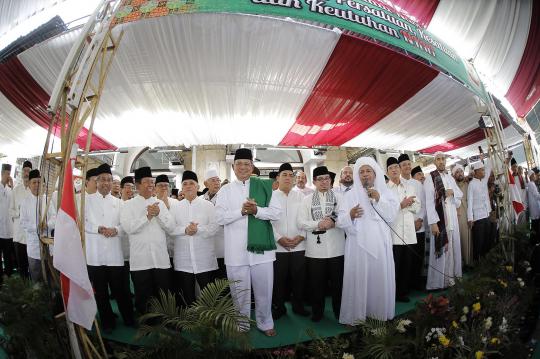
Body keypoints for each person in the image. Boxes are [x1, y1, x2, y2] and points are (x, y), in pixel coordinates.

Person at [215, 148, 281, 336]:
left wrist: (257, 211)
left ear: (252, 166)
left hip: (263, 252)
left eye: (247, 163)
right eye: (239, 164)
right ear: (233, 167)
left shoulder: (266, 186)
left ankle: (265, 322)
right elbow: (219, 218)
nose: (243, 167)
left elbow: (276, 213)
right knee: (239, 292)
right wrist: (241, 211)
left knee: (264, 290)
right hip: (236, 251)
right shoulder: (225, 190)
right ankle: (242, 324)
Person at [337, 157, 399, 324]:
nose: (365, 175)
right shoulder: (349, 195)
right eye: (361, 172)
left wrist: (379, 199)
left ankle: (378, 315)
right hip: (358, 245)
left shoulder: (387, 192)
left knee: (378, 279)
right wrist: (349, 215)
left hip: (380, 243)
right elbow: (340, 220)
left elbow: (392, 216)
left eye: (368, 171)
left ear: (375, 173)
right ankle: (357, 317)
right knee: (359, 279)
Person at [85, 164, 134, 331]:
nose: (106, 183)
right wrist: (97, 229)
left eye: (109, 180)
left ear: (113, 183)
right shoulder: (86, 201)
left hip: (115, 254)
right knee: (101, 293)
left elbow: (125, 225)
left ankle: (128, 318)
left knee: (120, 290)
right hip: (95, 255)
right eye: (102, 180)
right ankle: (107, 322)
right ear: (96, 182)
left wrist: (116, 230)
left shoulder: (120, 203)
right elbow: (82, 223)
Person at [120, 166, 175, 314]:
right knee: (144, 297)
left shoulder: (160, 204)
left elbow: (171, 227)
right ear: (137, 185)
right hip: (140, 261)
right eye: (147, 182)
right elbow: (128, 228)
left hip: (160, 259)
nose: (151, 184)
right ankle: (148, 327)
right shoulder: (128, 205)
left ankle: (167, 323)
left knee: (164, 296)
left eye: (152, 181)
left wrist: (159, 214)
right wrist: (147, 217)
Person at [298, 166, 345, 322]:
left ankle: (340, 313)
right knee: (316, 284)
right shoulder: (306, 200)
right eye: (320, 179)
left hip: (337, 248)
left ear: (331, 181)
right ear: (314, 182)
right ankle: (317, 313)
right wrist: (319, 224)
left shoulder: (340, 198)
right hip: (314, 250)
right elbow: (301, 222)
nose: (324, 182)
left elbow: (345, 218)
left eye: (327, 179)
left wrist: (333, 222)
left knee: (338, 285)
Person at [168, 170, 218, 306]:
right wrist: (185, 230)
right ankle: (191, 322)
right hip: (183, 260)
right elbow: (170, 229)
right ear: (182, 188)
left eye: (192, 183)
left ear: (198, 187)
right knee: (188, 296)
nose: (188, 186)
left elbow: (215, 227)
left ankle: (209, 323)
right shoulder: (175, 207)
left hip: (204, 258)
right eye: (185, 184)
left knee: (209, 295)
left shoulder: (208, 206)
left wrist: (198, 230)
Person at [271, 163, 309, 319]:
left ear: (294, 179)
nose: (287, 178)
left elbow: (307, 219)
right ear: (278, 178)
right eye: (284, 175)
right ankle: (279, 307)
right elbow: (267, 222)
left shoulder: (302, 197)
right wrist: (279, 239)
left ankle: (298, 305)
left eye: (290, 175)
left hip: (299, 245)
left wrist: (301, 236)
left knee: (299, 279)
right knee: (278, 280)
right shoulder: (271, 196)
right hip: (278, 247)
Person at [424, 152, 463, 289]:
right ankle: (437, 283)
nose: (441, 161)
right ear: (434, 162)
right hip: (440, 219)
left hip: (452, 217)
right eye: (438, 159)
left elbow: (459, 198)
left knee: (452, 249)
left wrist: (452, 193)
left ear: (445, 161)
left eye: (443, 159)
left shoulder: (450, 178)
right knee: (442, 250)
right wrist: (433, 223)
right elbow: (429, 202)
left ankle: (450, 279)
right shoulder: (431, 178)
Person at [387, 157, 419, 303]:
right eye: (391, 168)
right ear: (387, 172)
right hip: (394, 233)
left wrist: (407, 205)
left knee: (407, 264)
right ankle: (392, 293)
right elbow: (385, 211)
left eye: (396, 167)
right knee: (395, 266)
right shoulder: (385, 190)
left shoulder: (409, 187)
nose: (394, 170)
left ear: (400, 170)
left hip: (409, 232)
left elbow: (417, 206)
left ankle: (402, 292)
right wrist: (402, 205)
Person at [19, 169, 56, 282]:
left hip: (49, 247)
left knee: (51, 278)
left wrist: (47, 224)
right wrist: (37, 227)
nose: (36, 185)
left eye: (39, 182)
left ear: (43, 185)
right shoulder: (25, 202)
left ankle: (52, 299)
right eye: (34, 182)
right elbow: (23, 223)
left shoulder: (47, 200)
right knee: (37, 279)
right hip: (34, 247)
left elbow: (55, 218)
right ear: (29, 184)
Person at [399, 154, 427, 290]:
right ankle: (406, 286)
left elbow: (423, 203)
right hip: (405, 227)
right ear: (399, 168)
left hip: (419, 226)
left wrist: (420, 220)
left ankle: (417, 282)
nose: (407, 167)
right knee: (406, 258)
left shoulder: (417, 184)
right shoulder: (398, 183)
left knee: (418, 256)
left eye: (408, 164)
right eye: (404, 165)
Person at [201, 168, 226, 278]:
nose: (217, 183)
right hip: (204, 245)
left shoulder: (225, 197)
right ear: (206, 183)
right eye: (213, 180)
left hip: (221, 244)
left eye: (218, 180)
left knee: (221, 281)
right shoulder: (200, 199)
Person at [9, 160, 32, 278]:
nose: (26, 173)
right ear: (22, 172)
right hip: (18, 235)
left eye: (28, 171)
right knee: (21, 267)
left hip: (30, 236)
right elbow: (11, 211)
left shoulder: (34, 191)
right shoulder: (16, 190)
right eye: (25, 170)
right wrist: (19, 211)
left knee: (31, 267)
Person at [467, 160, 492, 262]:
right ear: (476, 171)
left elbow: (489, 166)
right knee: (479, 242)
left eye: (483, 170)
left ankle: (485, 262)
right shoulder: (471, 184)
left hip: (486, 215)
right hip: (478, 218)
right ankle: (477, 263)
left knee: (487, 240)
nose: (484, 172)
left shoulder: (484, 180)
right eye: (482, 170)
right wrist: (470, 218)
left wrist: (486, 154)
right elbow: (470, 202)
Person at [452, 164, 472, 267]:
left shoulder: (468, 184)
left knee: (466, 239)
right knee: (457, 240)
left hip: (465, 214)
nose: (460, 173)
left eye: (461, 171)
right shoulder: (452, 185)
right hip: (455, 215)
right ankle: (459, 265)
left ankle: (467, 262)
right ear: (454, 175)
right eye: (457, 172)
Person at [0, 163, 14, 282]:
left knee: (8, 255)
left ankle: (8, 276)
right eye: (6, 174)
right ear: (1, 174)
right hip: (0, 229)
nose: (7, 176)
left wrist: (12, 186)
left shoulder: (11, 191)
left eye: (9, 174)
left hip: (9, 230)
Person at [528, 170, 540, 245]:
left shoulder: (531, 184)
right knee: (535, 226)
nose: (535, 176)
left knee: (535, 226)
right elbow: (537, 195)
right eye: (534, 175)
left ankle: (534, 241)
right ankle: (534, 241)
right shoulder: (531, 184)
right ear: (531, 176)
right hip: (535, 208)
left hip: (535, 207)